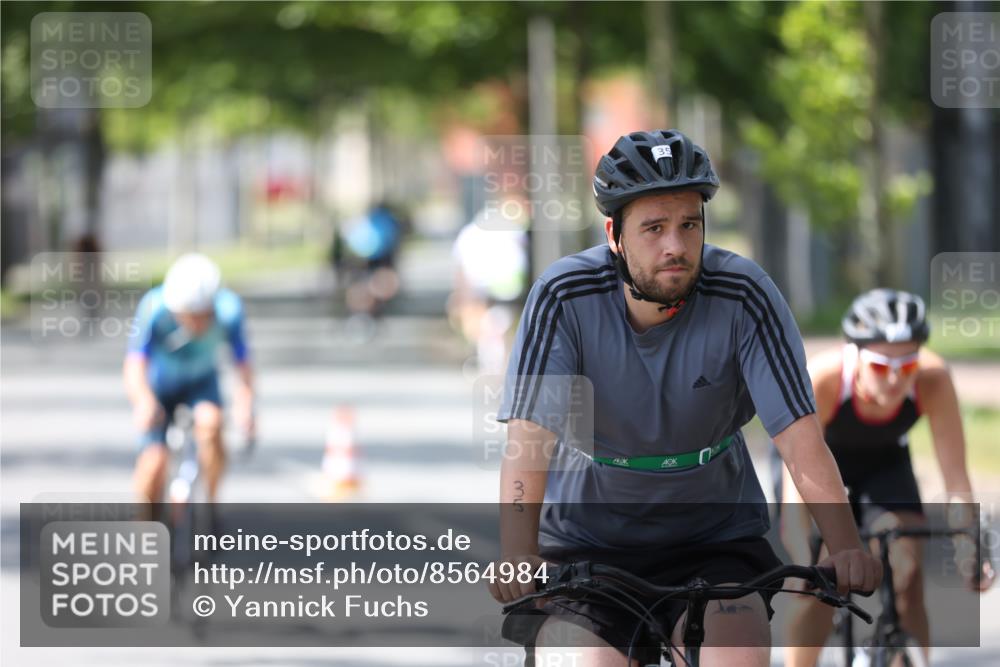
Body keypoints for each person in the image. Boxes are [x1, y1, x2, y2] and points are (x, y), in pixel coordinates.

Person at [487, 129, 881, 667]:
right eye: (654, 228)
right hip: (588, 542)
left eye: (689, 225)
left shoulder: (744, 292)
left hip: (715, 539)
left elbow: (799, 438)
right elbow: (528, 440)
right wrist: (516, 549)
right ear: (615, 235)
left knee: (736, 655)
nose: (675, 245)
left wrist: (845, 546)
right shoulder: (564, 295)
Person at [778, 288, 994, 667]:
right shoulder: (824, 380)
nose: (895, 380)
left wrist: (967, 549)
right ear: (855, 356)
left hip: (886, 466)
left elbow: (956, 480)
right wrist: (800, 553)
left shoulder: (934, 380)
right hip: (819, 469)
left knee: (908, 573)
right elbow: (797, 481)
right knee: (821, 580)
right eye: (880, 366)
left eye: (907, 367)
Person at [124, 253, 255, 507]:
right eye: (185, 315)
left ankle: (210, 502)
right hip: (161, 386)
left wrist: (246, 406)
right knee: (153, 464)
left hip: (202, 383)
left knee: (212, 425)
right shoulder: (154, 307)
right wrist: (143, 401)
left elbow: (243, 365)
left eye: (201, 315)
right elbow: (135, 365)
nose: (194, 323)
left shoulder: (229, 311)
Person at [448, 200, 529, 375]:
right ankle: (500, 364)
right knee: (500, 326)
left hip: (482, 286)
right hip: (509, 286)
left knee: (488, 327)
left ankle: (493, 364)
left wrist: (461, 292)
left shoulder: (469, 233)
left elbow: (459, 265)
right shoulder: (512, 230)